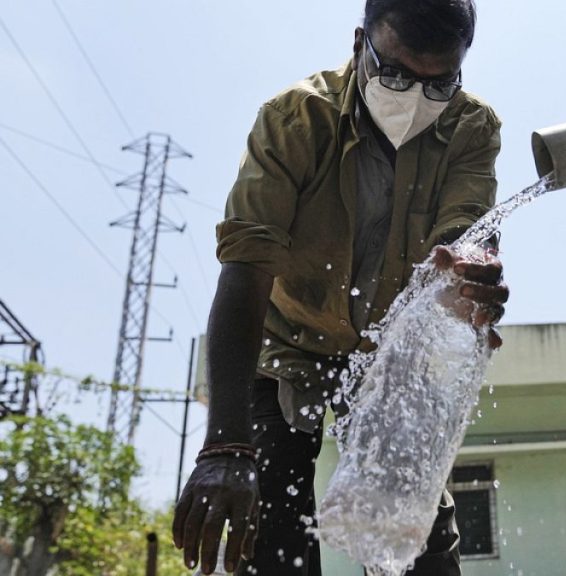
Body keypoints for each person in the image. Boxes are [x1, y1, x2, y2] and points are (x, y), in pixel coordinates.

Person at [171, 0, 506, 574]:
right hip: (283, 349)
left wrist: (467, 278)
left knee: (421, 545)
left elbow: (464, 237)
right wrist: (225, 445)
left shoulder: (471, 127)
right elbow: (246, 269)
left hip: (389, 356)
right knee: (269, 540)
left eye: (439, 83)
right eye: (396, 74)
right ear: (360, 44)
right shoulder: (295, 118)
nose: (415, 99)